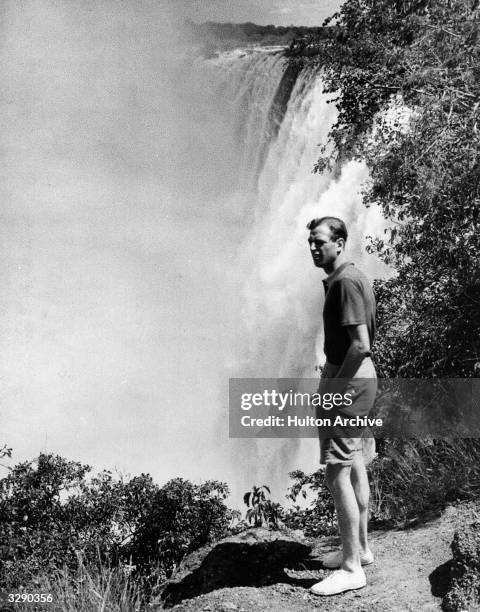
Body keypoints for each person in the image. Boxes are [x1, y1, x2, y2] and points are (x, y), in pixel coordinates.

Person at [307, 216, 377, 596]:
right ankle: (360, 550)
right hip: (354, 378)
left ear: (340, 242)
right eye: (310, 242)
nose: (314, 248)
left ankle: (352, 567)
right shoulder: (349, 277)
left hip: (349, 381)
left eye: (320, 241)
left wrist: (333, 388)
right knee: (353, 464)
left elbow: (361, 344)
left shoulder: (346, 282)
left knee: (337, 472)